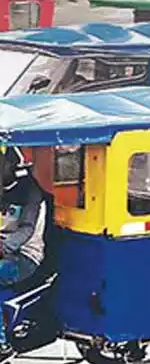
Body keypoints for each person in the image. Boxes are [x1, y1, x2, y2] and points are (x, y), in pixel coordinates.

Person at [0, 148, 47, 362]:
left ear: (9, 165)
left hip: (24, 257)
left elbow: (26, 229)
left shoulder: (30, 192)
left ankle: (2, 345)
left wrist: (4, 248)